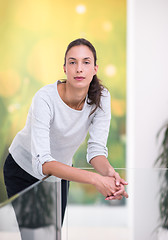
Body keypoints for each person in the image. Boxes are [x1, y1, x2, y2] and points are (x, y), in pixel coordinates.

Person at [3, 38, 128, 224]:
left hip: (59, 174)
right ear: (64, 68)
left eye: (86, 62)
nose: (79, 69)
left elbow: (96, 151)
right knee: (36, 236)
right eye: (72, 62)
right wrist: (95, 179)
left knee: (53, 235)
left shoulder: (102, 98)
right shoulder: (45, 98)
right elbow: (42, 162)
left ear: (95, 69)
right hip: (23, 169)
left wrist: (109, 174)